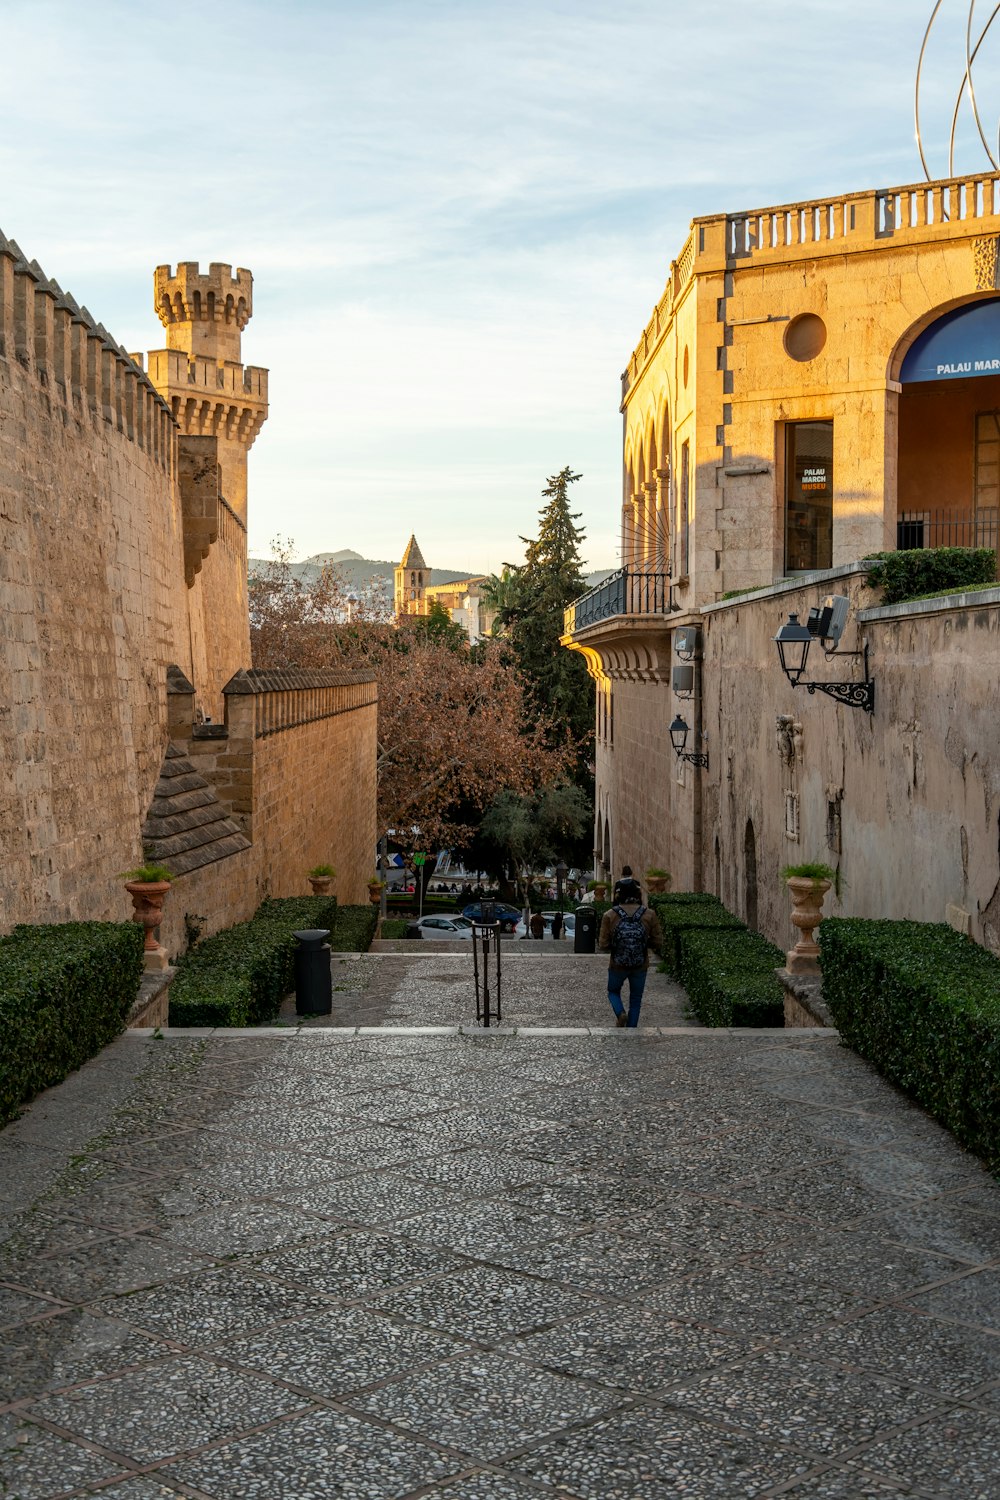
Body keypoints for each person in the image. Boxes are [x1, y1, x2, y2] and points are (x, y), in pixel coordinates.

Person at [598, 878, 662, 1028]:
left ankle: (620, 1013)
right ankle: (632, 1029)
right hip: (640, 964)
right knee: (636, 998)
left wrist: (617, 947)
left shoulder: (610, 915)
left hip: (617, 964)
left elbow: (603, 944)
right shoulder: (649, 914)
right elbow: (658, 941)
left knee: (613, 991)